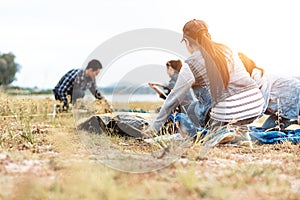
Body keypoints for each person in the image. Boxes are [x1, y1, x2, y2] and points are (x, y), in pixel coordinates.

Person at [144, 19, 265, 140]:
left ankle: (216, 133)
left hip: (227, 112)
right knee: (226, 101)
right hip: (256, 106)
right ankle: (242, 136)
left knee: (192, 109)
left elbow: (172, 100)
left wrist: (154, 129)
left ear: (187, 41)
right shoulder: (227, 50)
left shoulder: (190, 64)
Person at [238, 52, 300, 129]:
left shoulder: (260, 78)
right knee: (266, 130)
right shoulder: (253, 79)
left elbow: (260, 107)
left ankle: (295, 122)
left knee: (267, 132)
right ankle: (296, 121)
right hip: (282, 110)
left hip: (293, 101)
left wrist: (238, 122)